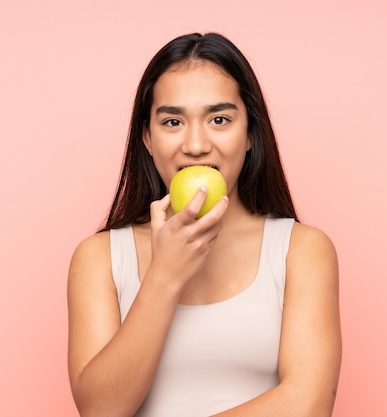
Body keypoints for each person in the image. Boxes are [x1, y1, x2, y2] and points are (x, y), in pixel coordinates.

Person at [67, 32, 342, 417]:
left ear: (249, 135)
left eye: (219, 119)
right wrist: (164, 274)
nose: (196, 144)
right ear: (147, 137)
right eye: (173, 121)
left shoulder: (301, 250)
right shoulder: (99, 259)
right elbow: (100, 409)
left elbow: (308, 403)